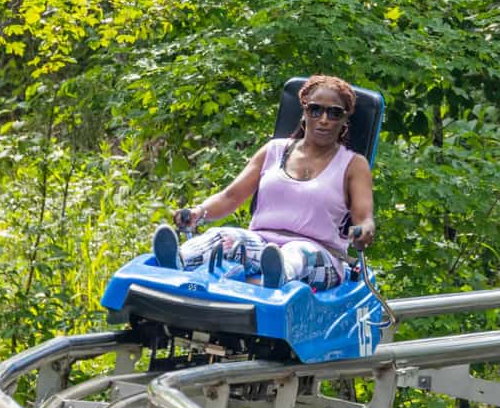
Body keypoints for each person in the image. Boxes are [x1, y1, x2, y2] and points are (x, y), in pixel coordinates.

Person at [152, 75, 375, 289]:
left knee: (298, 252)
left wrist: (363, 231)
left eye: (334, 113)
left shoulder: (353, 165)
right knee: (226, 237)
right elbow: (230, 197)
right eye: (316, 110)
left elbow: (364, 219)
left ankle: (278, 276)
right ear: (305, 111)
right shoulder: (274, 150)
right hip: (262, 244)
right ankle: (178, 259)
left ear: (345, 119)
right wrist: (197, 213)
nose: (324, 120)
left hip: (319, 255)